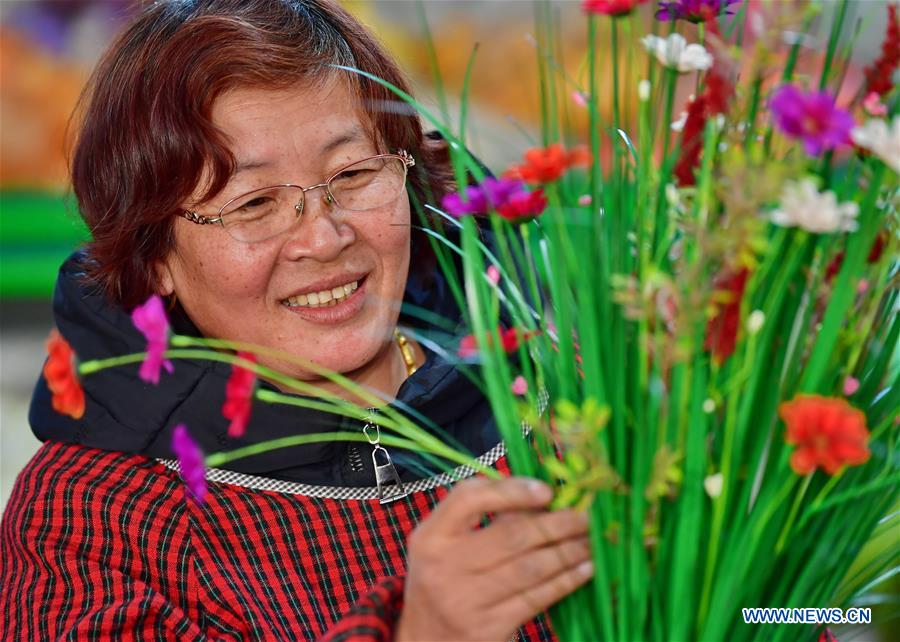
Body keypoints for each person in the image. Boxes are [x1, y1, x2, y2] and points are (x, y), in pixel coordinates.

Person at [0, 1, 593, 640]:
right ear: (156, 256)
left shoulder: (561, 391)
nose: (325, 238)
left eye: (354, 173)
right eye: (254, 204)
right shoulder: (91, 522)